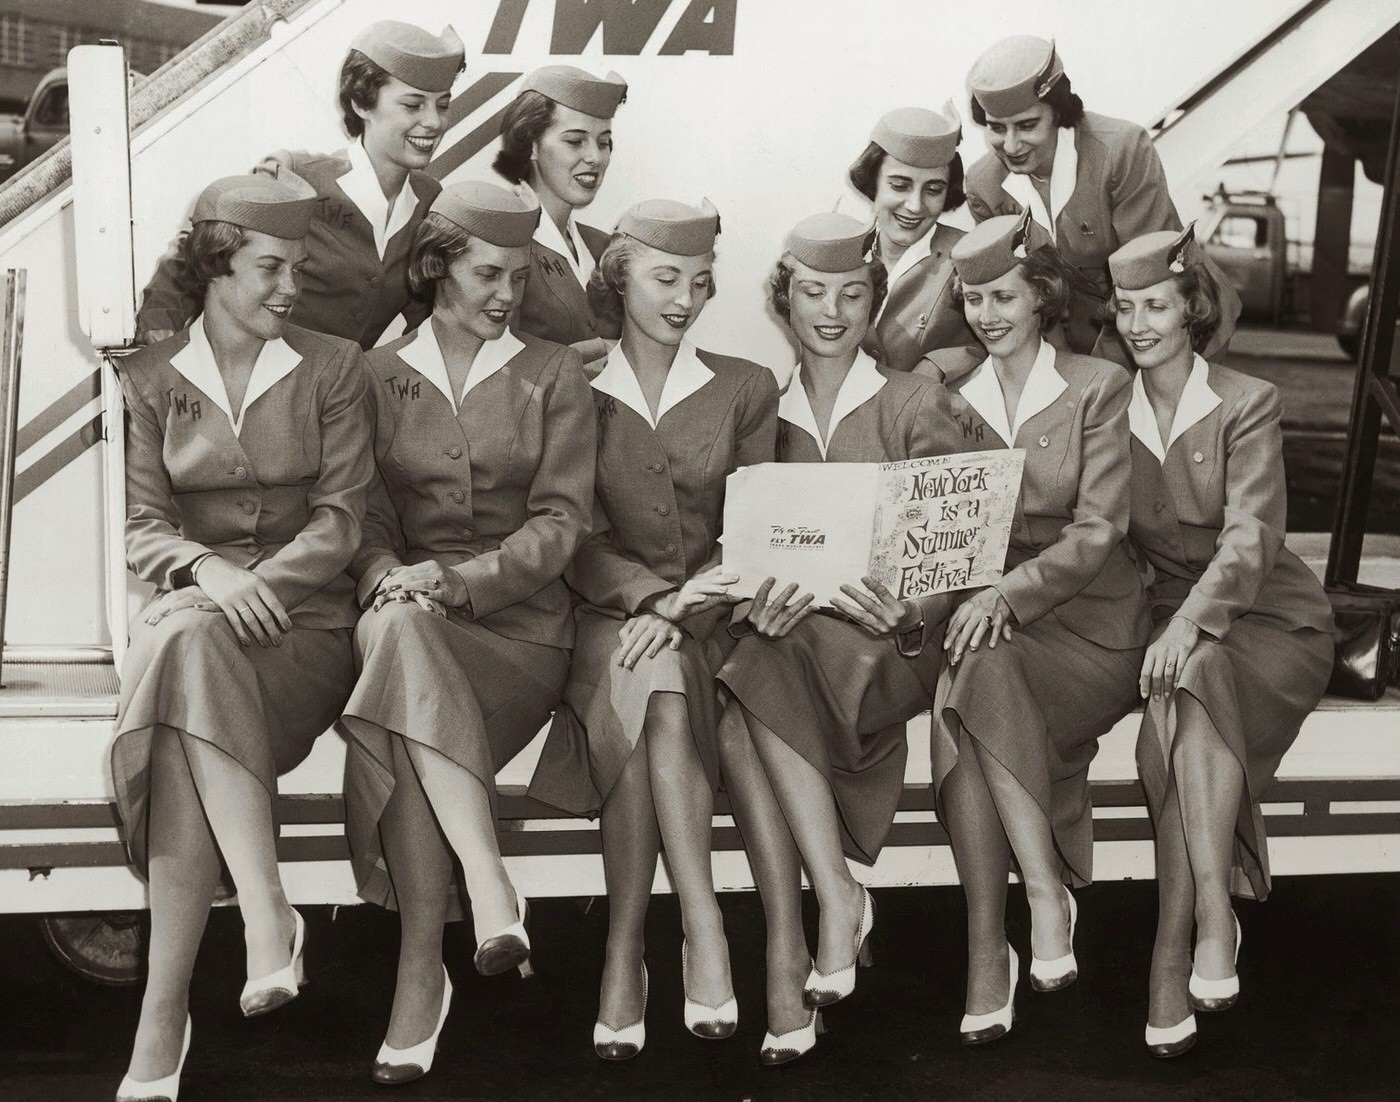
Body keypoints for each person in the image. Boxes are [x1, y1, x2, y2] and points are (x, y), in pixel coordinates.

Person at [112, 173, 373, 1102]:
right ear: (218, 265)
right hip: (201, 616)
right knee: (190, 652)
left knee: (184, 679)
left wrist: (256, 583)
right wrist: (210, 572)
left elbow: (343, 521)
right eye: (270, 268)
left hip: (302, 629)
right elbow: (144, 526)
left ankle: (164, 1016)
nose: (288, 288)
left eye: (298, 270)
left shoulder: (335, 367)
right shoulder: (147, 377)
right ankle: (261, 912)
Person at [340, 182, 596, 1084]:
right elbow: (362, 522)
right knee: (402, 639)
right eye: (489, 274)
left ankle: (421, 974)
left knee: (410, 717)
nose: (506, 295)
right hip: (405, 622)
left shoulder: (552, 373)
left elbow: (563, 524)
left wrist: (458, 581)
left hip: (518, 635)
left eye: (520, 278)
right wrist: (386, 582)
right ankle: (488, 888)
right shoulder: (375, 375)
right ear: (438, 263)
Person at [527, 199, 779, 1060]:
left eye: (700, 283)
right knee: (652, 679)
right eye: (665, 278)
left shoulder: (745, 385)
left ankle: (624, 952)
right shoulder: (572, 384)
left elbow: (756, 530)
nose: (684, 299)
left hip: (717, 617)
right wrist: (649, 602)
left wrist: (688, 605)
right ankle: (702, 927)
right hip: (606, 618)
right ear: (619, 276)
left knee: (658, 681)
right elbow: (571, 534)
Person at [714, 213, 962, 1064]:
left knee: (747, 693)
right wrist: (758, 604)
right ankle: (820, 914)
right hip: (793, 645)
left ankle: (810, 929)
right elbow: (742, 543)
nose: (831, 311)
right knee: (748, 684)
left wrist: (912, 610)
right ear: (785, 302)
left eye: (852, 294)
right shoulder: (760, 410)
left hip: (893, 647)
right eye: (813, 293)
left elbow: (961, 546)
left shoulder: (914, 400)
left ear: (874, 303)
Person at [915, 210, 1148, 1045]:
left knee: (970, 689)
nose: (988, 315)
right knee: (976, 677)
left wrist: (1008, 597)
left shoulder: (1096, 385)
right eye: (973, 299)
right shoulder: (945, 392)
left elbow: (1100, 529)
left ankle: (1010, 928)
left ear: (1041, 296)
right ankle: (1038, 897)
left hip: (1091, 628)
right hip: (989, 629)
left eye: (1004, 296)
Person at [1107, 226, 1334, 1058]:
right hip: (1173, 626)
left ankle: (1187, 935)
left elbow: (1250, 539)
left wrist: (1186, 623)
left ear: (1191, 309)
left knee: (1186, 692)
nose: (1138, 324)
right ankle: (1206, 917)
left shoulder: (1247, 400)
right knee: (1185, 697)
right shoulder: (1105, 407)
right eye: (1125, 307)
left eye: (1156, 305)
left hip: (1270, 617)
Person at [136, 20, 466, 349]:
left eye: (442, 105)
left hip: (337, 395)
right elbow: (197, 255)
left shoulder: (430, 202)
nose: (434, 122)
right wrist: (158, 331)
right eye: (412, 105)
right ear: (362, 103)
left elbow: (425, 308)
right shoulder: (294, 177)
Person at [962, 34, 1186, 355]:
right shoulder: (983, 183)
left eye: (1026, 125)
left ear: (1058, 112)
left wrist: (1095, 377)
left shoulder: (1121, 150)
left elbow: (1150, 281)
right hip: (1082, 331)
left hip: (1165, 319)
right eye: (996, 128)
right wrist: (1057, 367)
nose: (1010, 146)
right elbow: (1020, 293)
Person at [493, 65, 628, 361]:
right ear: (531, 145)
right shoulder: (499, 241)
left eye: (603, 142)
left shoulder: (602, 246)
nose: (595, 157)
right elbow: (490, 364)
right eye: (575, 141)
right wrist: (598, 349)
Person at [847, 107, 978, 370]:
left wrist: (937, 367)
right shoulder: (842, 248)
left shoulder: (969, 255)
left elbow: (999, 341)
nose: (915, 206)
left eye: (933, 189)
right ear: (874, 181)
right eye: (899, 185)